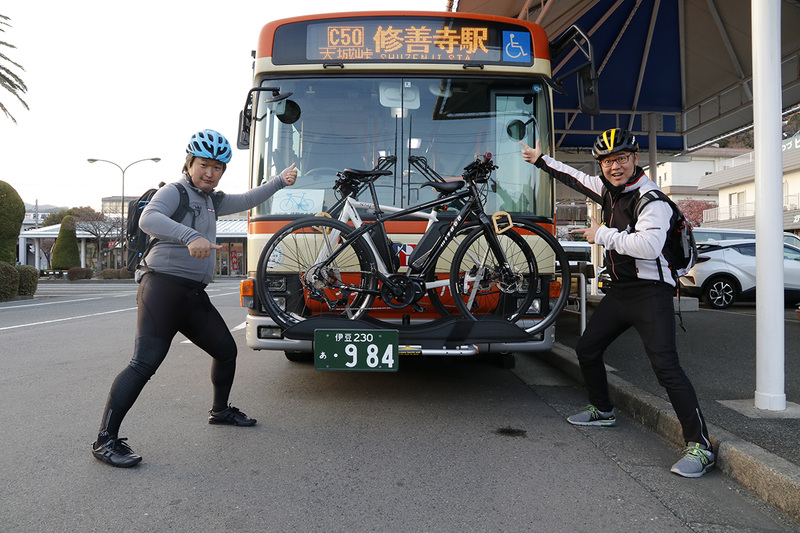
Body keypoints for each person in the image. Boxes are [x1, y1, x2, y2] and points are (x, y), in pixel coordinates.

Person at [92, 129, 298, 468]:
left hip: (192, 294)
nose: (210, 173)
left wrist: (280, 180)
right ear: (189, 163)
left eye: (217, 168)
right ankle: (105, 440)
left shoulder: (211, 200)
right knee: (145, 363)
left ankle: (219, 411)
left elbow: (247, 199)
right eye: (204, 165)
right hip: (162, 288)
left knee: (226, 350)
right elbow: (149, 218)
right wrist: (190, 235)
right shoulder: (175, 192)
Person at [520, 129, 714, 478]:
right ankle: (602, 409)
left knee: (666, 369)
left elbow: (649, 247)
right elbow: (576, 178)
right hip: (622, 292)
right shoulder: (610, 190)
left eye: (621, 159)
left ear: (634, 159)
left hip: (651, 293)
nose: (614, 166)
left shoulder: (650, 198)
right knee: (588, 349)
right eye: (607, 161)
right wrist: (541, 161)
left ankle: (701, 446)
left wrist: (602, 235)